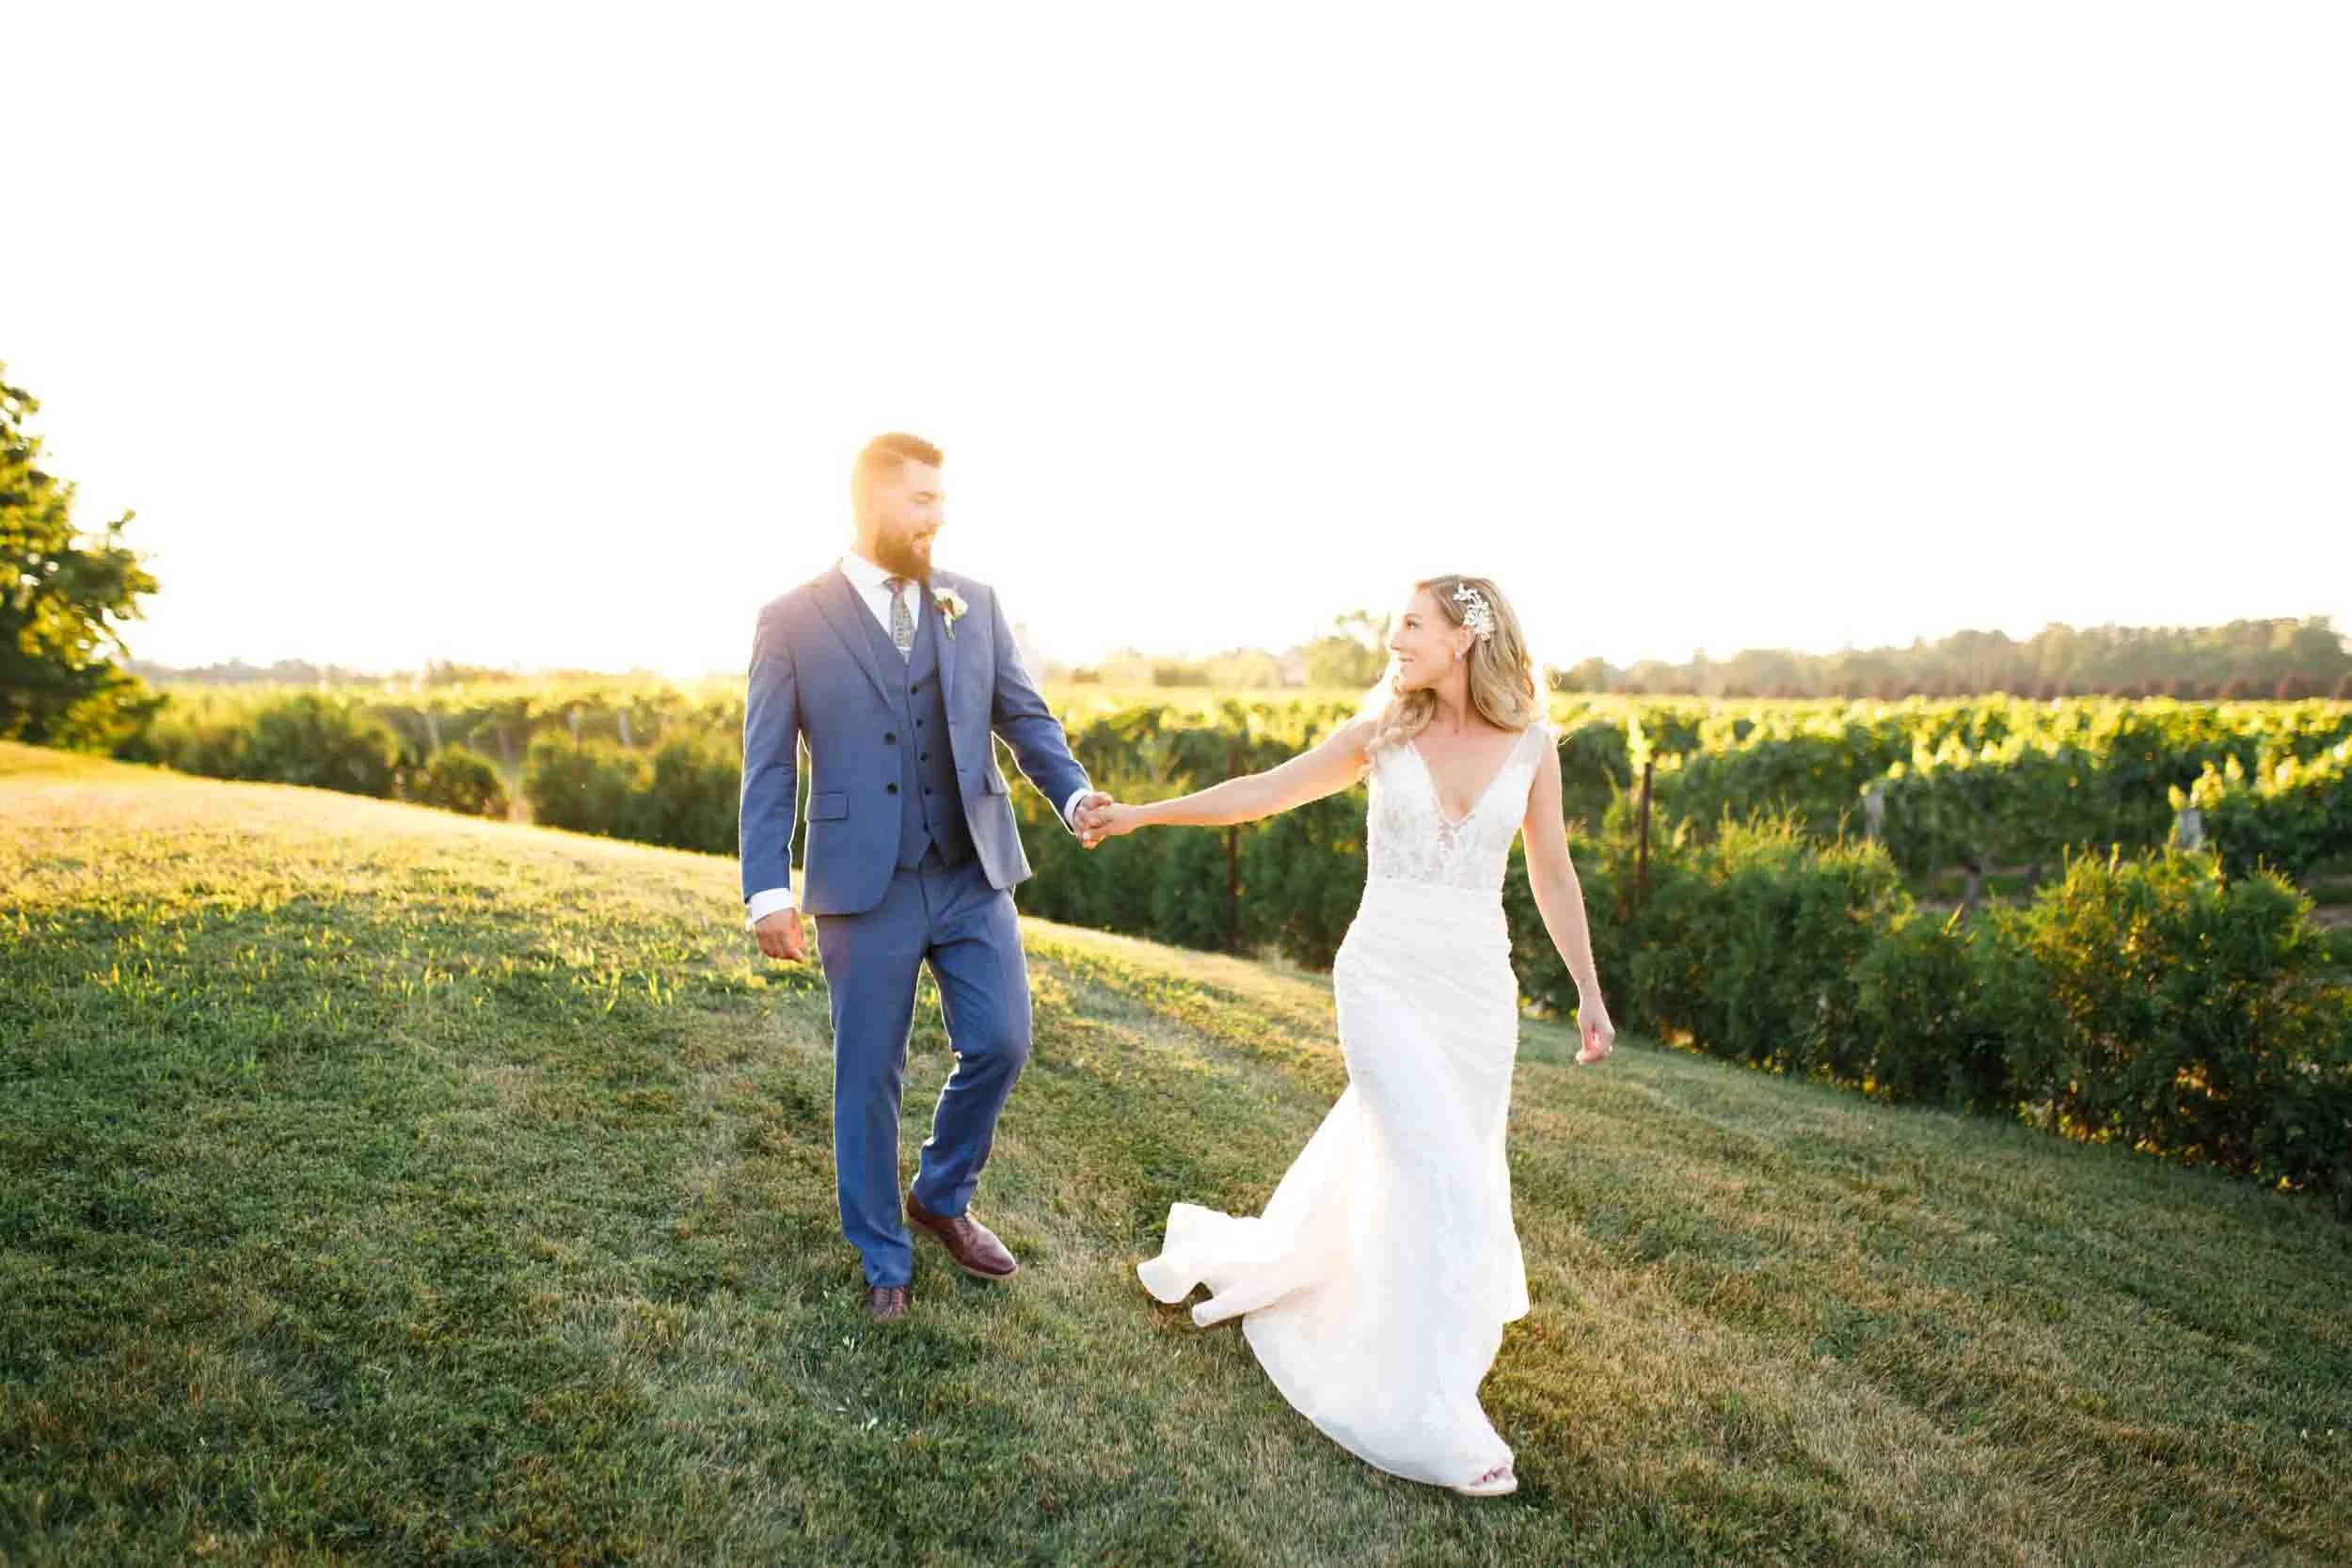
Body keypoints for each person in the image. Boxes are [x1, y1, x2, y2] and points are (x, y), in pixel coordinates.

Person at [1087, 573, 1615, 1498]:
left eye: (1410, 624)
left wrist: (1587, 989)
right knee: (1442, 1176)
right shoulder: (1381, 734)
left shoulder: (1532, 747)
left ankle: (1395, 1318)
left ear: (1464, 636)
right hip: (1382, 979)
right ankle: (1435, 1404)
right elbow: (1262, 791)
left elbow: (1554, 872)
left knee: (1449, 1167)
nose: (1393, 637)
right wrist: (1140, 813)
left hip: (1474, 995)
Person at [739, 433, 1115, 1323]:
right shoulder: (791, 617)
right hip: (861, 885)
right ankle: (882, 1253)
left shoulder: (973, 603)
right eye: (922, 501)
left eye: (942, 500)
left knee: (1002, 1041)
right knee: (867, 1073)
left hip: (970, 870)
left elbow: (1025, 717)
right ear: (873, 502)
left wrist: (1073, 794)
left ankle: (941, 1194)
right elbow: (767, 767)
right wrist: (767, 888)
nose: (939, 516)